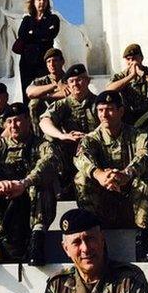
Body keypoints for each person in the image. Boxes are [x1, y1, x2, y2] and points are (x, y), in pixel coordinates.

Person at [74, 90, 148, 262]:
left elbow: (146, 154)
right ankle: (98, 244)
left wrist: (126, 174)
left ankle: (141, 243)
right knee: (81, 178)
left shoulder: (137, 135)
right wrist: (99, 175)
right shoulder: (91, 138)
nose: (104, 114)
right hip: (103, 206)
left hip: (130, 205)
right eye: (100, 110)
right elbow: (80, 158)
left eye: (110, 109)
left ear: (121, 111)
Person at [0, 102, 57, 266]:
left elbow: (50, 162)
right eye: (9, 122)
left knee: (41, 183)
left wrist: (24, 183)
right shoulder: (0, 145)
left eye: (17, 120)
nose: (13, 126)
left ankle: (37, 241)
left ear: (28, 121)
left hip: (31, 203)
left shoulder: (41, 145)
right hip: (4, 201)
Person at [41, 208, 148, 293]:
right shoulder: (57, 285)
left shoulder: (129, 280)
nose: (85, 248)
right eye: (76, 242)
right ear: (66, 249)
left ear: (102, 239)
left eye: (90, 239)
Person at [40, 63, 98, 201]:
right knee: (48, 138)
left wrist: (89, 137)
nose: (76, 84)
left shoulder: (99, 103)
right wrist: (63, 135)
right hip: (70, 149)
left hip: (95, 149)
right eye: (71, 81)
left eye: (80, 79)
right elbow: (44, 122)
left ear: (88, 81)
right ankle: (61, 184)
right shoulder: (63, 104)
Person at [17, 0, 60, 104]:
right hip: (27, 61)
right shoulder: (27, 20)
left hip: (44, 61)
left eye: (44, 0)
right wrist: (41, 34)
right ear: (34, 2)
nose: (42, 2)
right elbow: (22, 35)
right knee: (27, 92)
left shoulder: (53, 19)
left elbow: (51, 34)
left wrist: (32, 34)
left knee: (45, 91)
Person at [26, 48, 68, 135]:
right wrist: (55, 85)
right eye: (48, 61)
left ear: (62, 61)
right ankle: (38, 135)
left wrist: (43, 94)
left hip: (65, 115)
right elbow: (30, 93)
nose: (52, 64)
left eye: (55, 60)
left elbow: (67, 94)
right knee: (34, 102)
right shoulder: (41, 81)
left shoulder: (70, 79)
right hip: (44, 117)